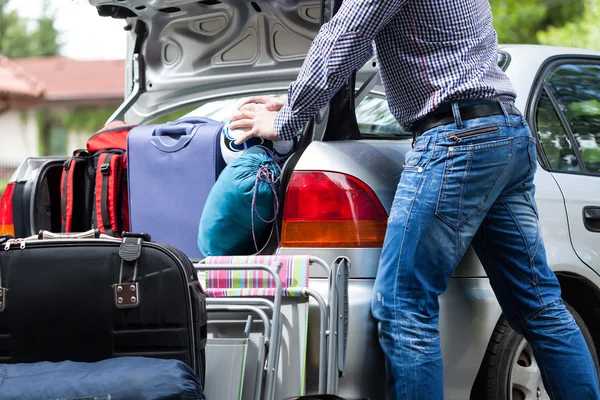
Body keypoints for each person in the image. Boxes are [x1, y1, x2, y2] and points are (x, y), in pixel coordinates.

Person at [228, 0, 600, 398]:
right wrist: (296, 102)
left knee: (404, 305)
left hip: (457, 141)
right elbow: (442, 54)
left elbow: (346, 36)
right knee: (539, 306)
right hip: (505, 134)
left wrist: (287, 120)